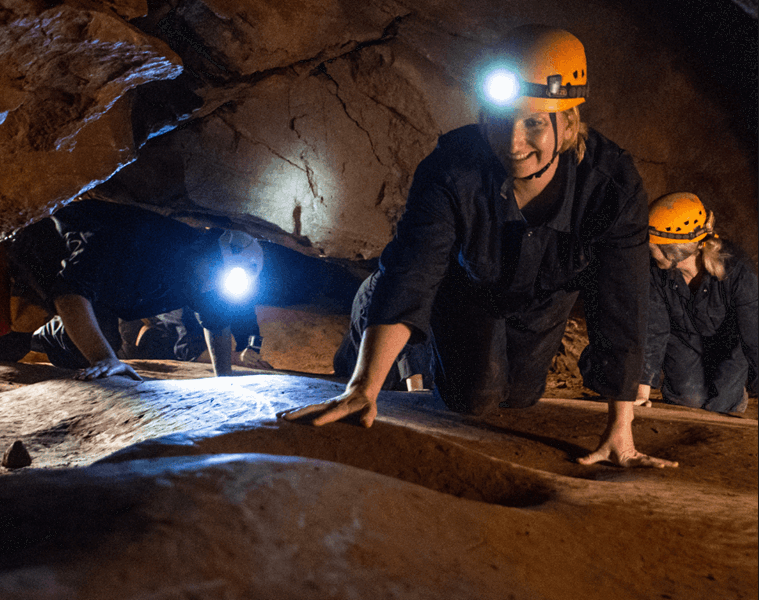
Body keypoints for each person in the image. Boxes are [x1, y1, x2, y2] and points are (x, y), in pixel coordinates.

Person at [284, 24, 678, 468]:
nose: (512, 142)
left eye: (532, 123)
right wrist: (363, 387)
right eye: (500, 119)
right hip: (466, 287)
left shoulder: (612, 186)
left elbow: (622, 304)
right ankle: (372, 306)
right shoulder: (451, 169)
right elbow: (414, 271)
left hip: (545, 297)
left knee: (522, 398)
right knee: (475, 399)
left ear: (567, 123)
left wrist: (620, 431)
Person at [0, 199, 264, 381]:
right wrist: (105, 359)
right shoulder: (140, 243)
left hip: (93, 291)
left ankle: (41, 335)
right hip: (33, 251)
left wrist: (225, 381)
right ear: (213, 252)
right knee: (8, 334)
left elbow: (216, 323)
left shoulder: (203, 273)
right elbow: (70, 291)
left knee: (86, 345)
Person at [636, 192, 757, 413]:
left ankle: (738, 391)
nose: (647, 250)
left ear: (673, 250)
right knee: (687, 401)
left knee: (721, 405)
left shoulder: (737, 270)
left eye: (652, 246)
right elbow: (654, 330)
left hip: (728, 343)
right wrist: (641, 391)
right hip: (681, 338)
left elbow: (755, 337)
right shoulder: (656, 272)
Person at [333, 270, 436, 392]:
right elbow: (406, 326)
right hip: (377, 319)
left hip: (374, 332)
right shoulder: (414, 276)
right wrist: (416, 389)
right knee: (384, 384)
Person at [133, 307, 273, 370]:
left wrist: (251, 352)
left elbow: (247, 319)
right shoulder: (178, 302)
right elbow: (189, 349)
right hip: (159, 341)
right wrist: (237, 358)